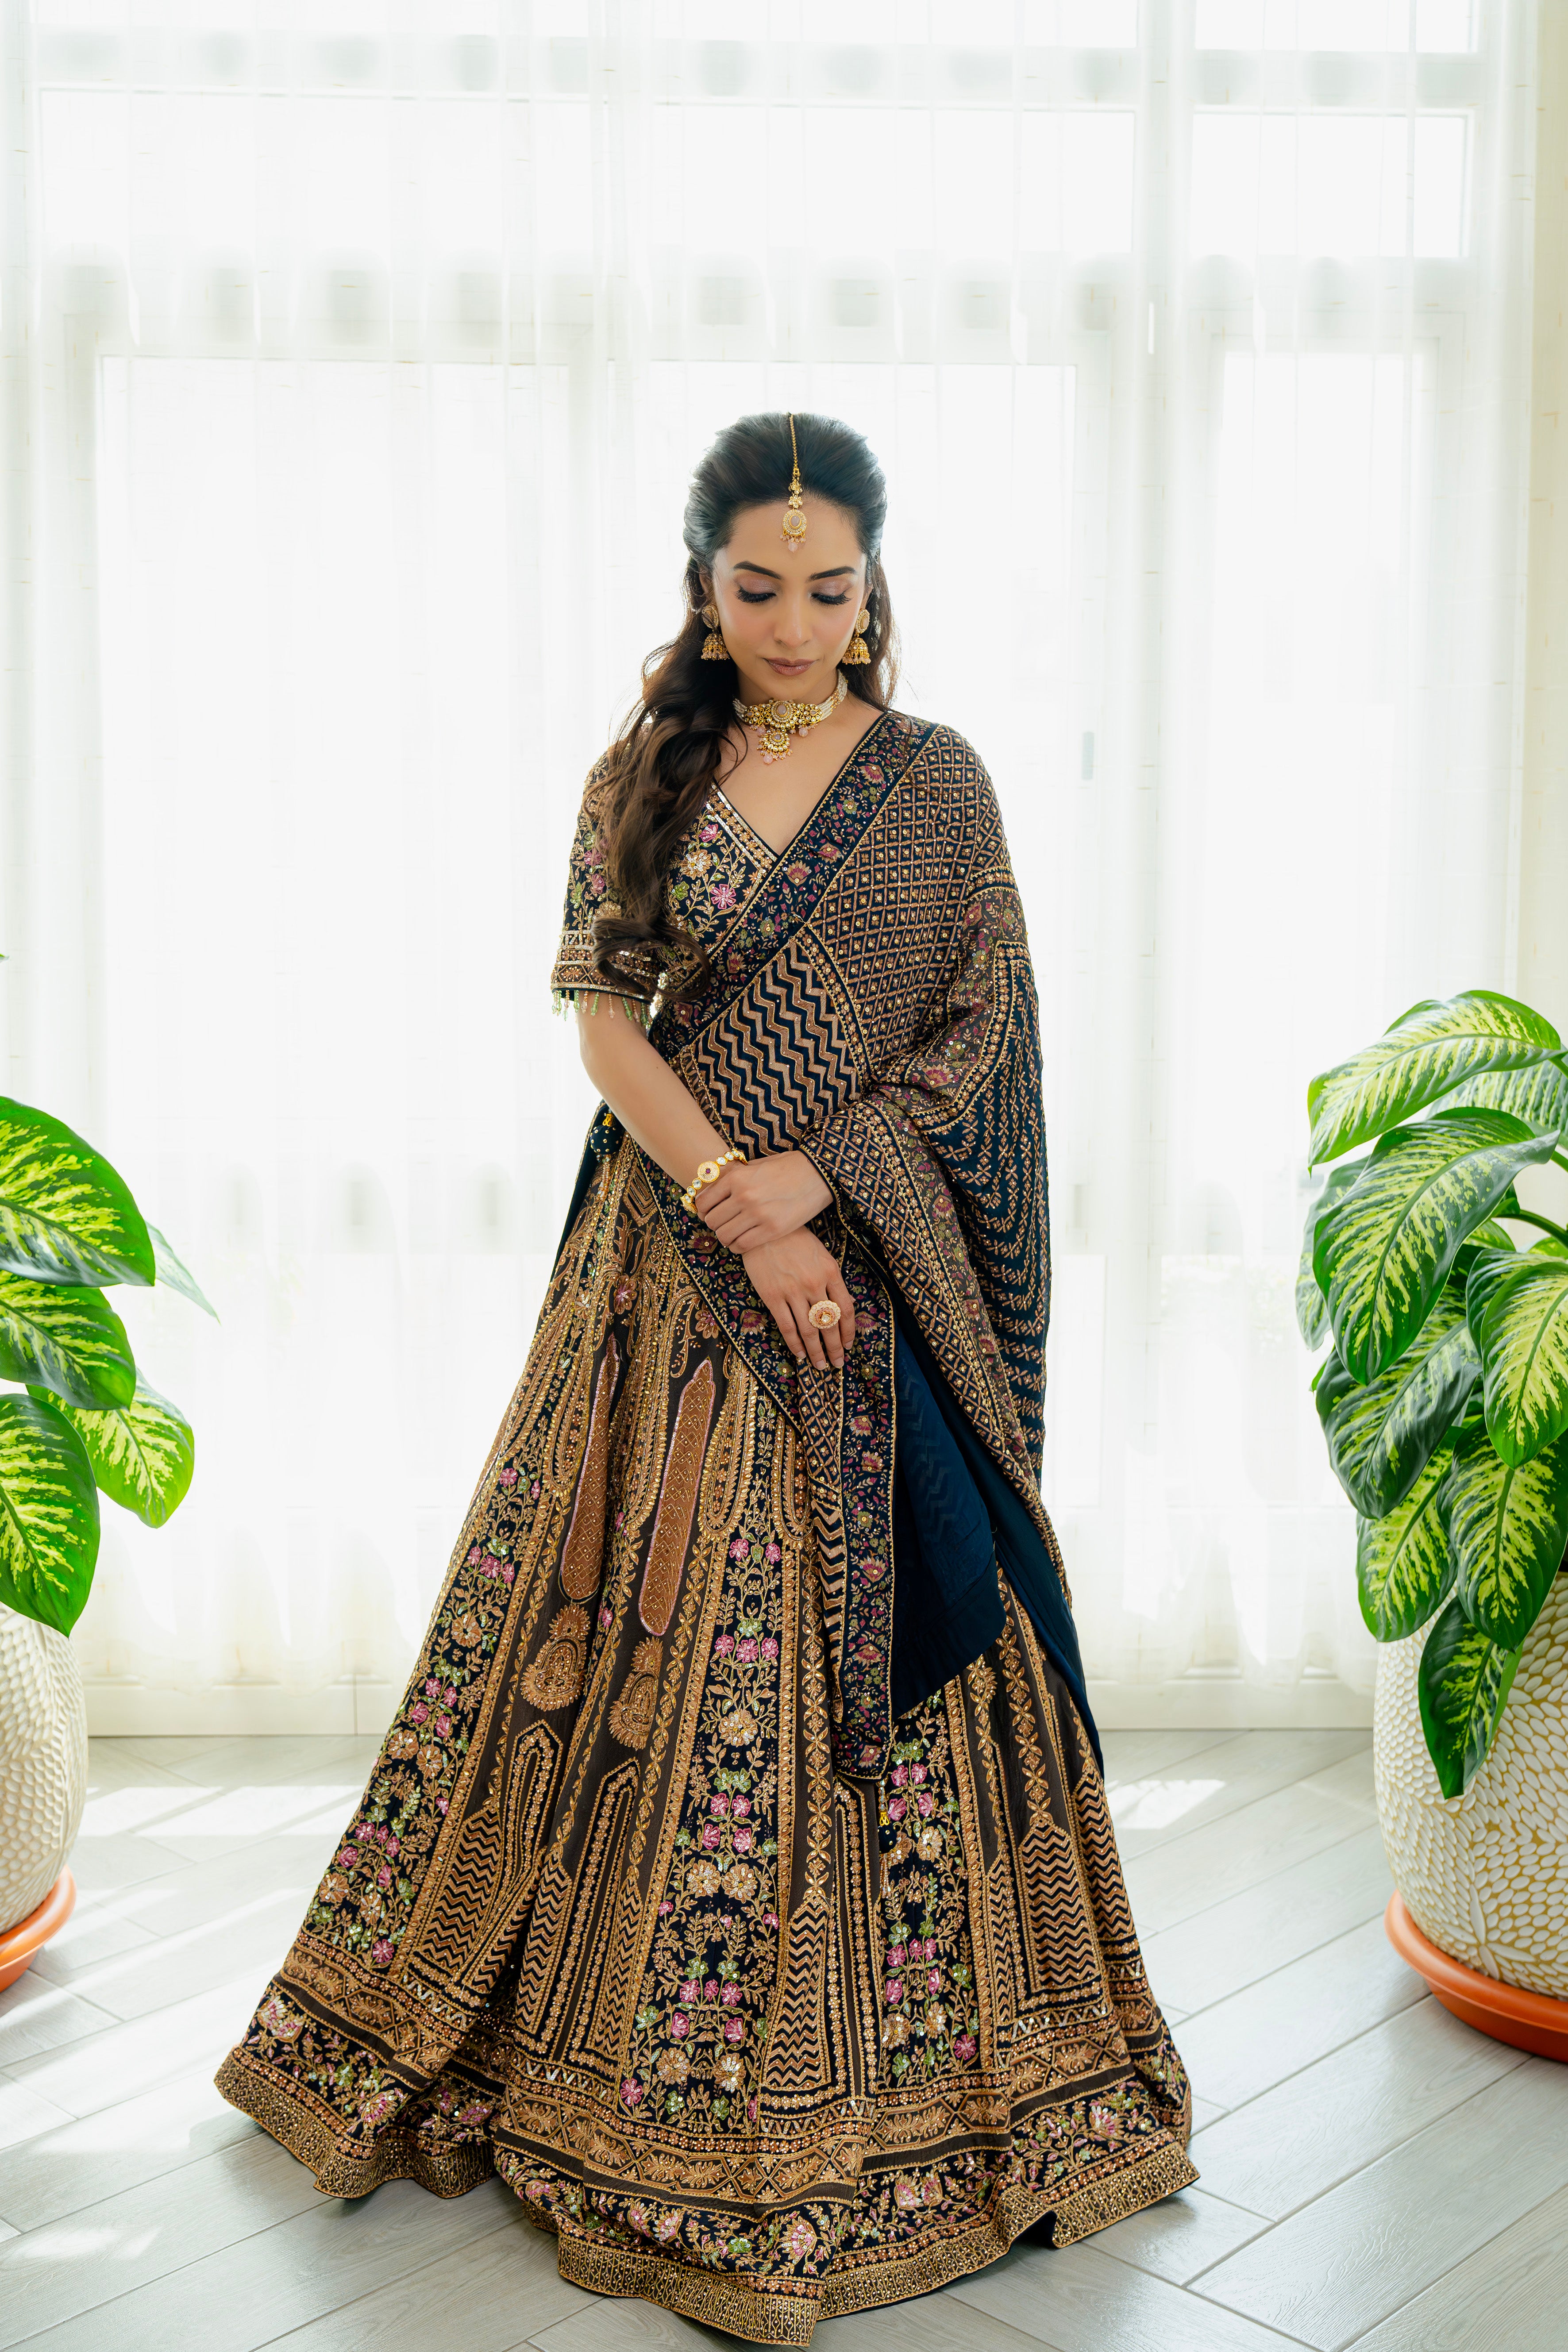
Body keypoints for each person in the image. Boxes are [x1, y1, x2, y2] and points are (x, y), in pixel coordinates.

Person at [216, 411, 1195, 2344]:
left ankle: (946, 2089)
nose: (797, 624)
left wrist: (825, 1192)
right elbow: (600, 1009)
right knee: (628, 1629)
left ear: (876, 587)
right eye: (759, 589)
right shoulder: (641, 772)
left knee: (880, 1622)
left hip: (874, 1267)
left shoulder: (936, 786)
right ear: (702, 585)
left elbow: (980, 1030)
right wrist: (742, 1213)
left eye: (833, 591)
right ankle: (574, 2065)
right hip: (665, 1268)